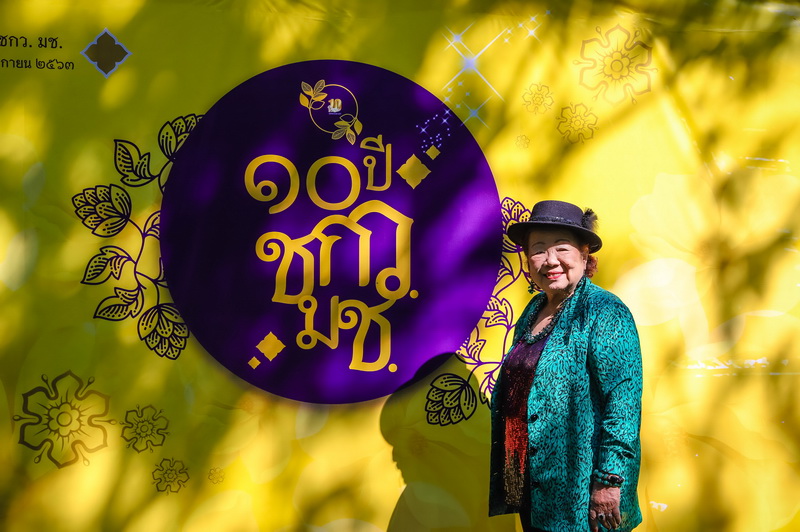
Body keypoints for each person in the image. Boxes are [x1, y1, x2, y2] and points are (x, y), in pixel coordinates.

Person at [489, 200, 643, 531]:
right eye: (538, 249)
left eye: (561, 248)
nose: (550, 260)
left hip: (580, 492)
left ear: (584, 255)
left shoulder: (604, 311)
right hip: (535, 486)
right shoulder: (533, 310)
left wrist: (609, 481)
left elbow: (623, 403)